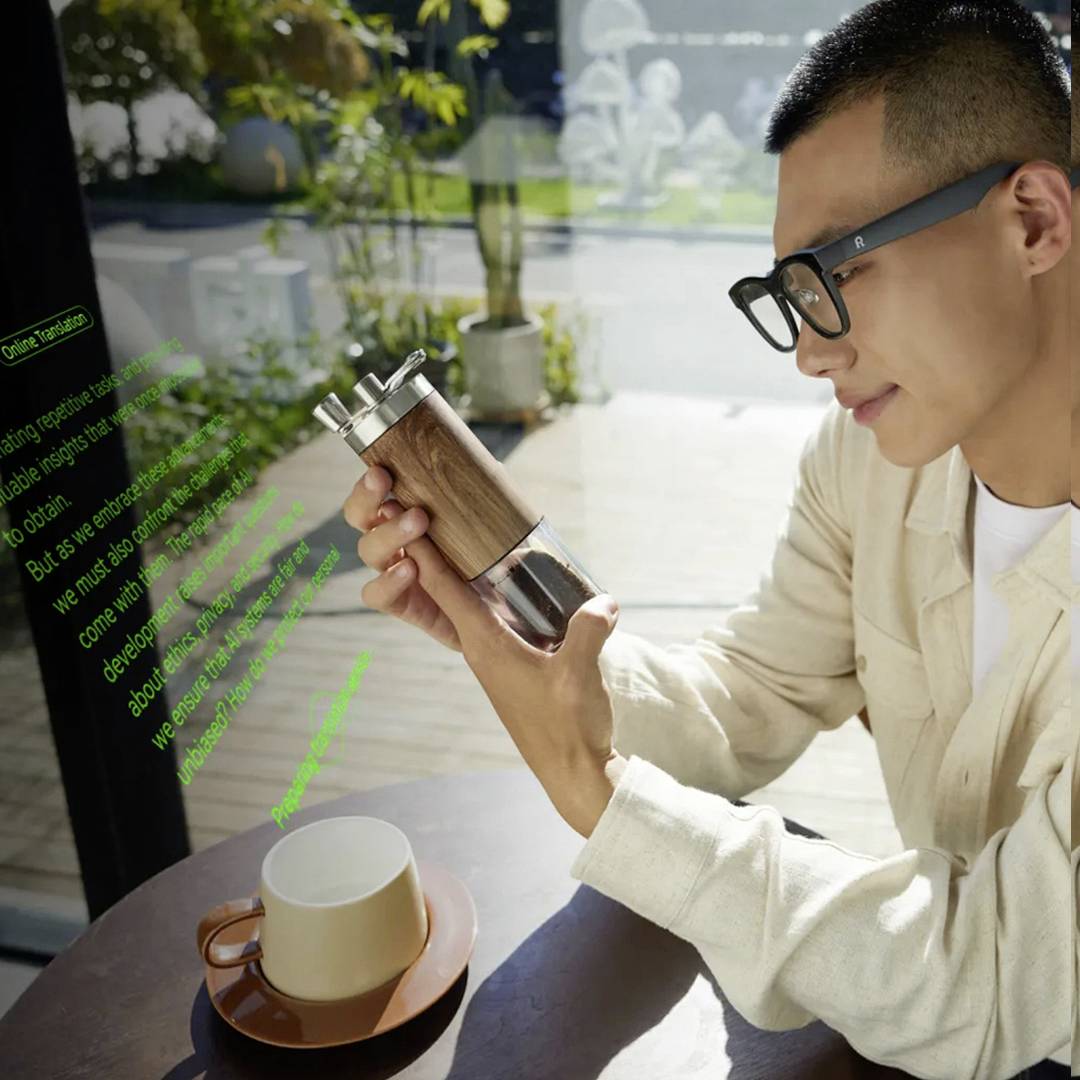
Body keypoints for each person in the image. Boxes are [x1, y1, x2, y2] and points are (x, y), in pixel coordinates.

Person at [342, 1, 1075, 1076]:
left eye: (834, 273)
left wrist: (599, 794)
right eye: (789, 298)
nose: (810, 357)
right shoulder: (870, 462)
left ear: (1032, 222)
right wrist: (505, 612)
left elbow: (992, 979)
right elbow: (749, 700)